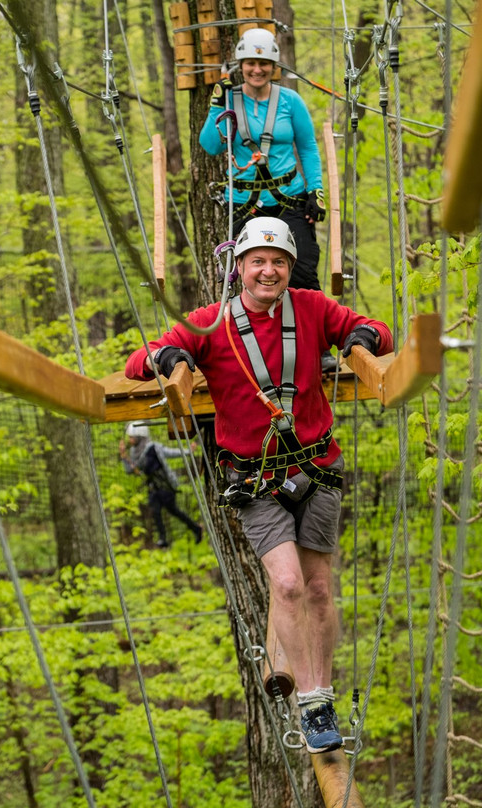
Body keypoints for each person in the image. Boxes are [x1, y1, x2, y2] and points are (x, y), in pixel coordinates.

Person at [123, 217, 392, 756]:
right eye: (257, 262)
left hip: (316, 469)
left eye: (278, 263)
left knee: (317, 587)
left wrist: (360, 339)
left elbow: (378, 330)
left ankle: (323, 693)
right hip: (255, 481)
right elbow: (139, 361)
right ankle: (310, 704)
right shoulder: (209, 323)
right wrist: (171, 358)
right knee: (288, 585)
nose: (268, 271)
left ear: (290, 270)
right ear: (239, 268)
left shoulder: (313, 309)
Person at [199, 27, 326, 295]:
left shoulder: (290, 101)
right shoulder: (228, 100)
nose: (257, 70)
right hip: (244, 204)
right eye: (251, 63)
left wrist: (316, 189)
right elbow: (210, 146)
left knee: (302, 272)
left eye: (264, 63)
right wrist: (215, 107)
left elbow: (307, 147)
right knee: (247, 280)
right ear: (241, 65)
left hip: (289, 199)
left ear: (273, 66)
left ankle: (309, 334)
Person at [119, 422, 203, 548]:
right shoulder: (133, 452)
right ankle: (162, 539)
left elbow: (171, 452)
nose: (130, 440)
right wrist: (123, 457)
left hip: (165, 486)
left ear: (140, 437)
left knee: (174, 511)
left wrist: (188, 451)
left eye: (132, 437)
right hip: (153, 487)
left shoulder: (153, 447)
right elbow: (130, 470)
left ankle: (196, 528)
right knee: (155, 511)